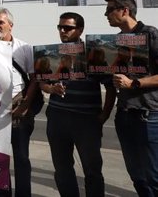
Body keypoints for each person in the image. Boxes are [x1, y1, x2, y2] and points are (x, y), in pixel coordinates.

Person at [39, 12, 115, 197]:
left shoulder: (94, 54)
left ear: (80, 30)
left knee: (92, 169)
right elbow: (42, 82)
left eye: (68, 28)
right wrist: (51, 89)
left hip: (86, 120)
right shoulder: (52, 53)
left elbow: (110, 86)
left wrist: (104, 115)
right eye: (60, 27)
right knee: (62, 168)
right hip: (57, 117)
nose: (63, 31)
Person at [105, 0, 158, 196]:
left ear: (124, 11)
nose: (106, 15)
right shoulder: (114, 41)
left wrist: (134, 82)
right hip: (124, 114)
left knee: (153, 175)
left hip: (149, 115)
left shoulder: (150, 34)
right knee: (137, 175)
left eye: (110, 10)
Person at [0, 7, 36, 197]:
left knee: (21, 157)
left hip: (19, 107)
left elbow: (35, 79)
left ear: (11, 25)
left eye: (0, 22)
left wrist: (25, 106)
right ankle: (3, 192)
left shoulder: (24, 48)